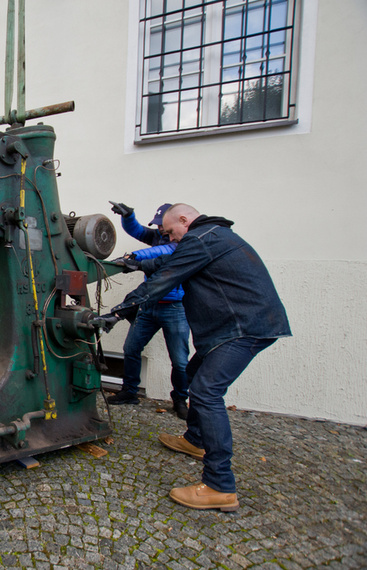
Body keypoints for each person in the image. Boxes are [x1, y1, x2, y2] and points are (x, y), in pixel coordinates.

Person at [95, 204, 291, 512]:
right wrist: (135, 266)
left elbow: (168, 276)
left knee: (206, 392)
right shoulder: (212, 236)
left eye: (171, 231)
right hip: (244, 325)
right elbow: (168, 260)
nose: (169, 237)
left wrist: (119, 312)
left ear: (185, 220)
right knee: (197, 375)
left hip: (242, 328)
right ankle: (196, 439)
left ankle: (220, 486)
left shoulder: (201, 239)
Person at [107, 201, 190, 420]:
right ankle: (129, 392)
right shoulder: (158, 236)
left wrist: (133, 258)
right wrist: (128, 216)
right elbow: (138, 230)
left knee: (180, 360)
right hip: (148, 304)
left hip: (175, 307)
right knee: (131, 348)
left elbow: (164, 251)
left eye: (162, 225)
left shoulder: (182, 242)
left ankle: (180, 399)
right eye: (158, 225)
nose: (161, 229)